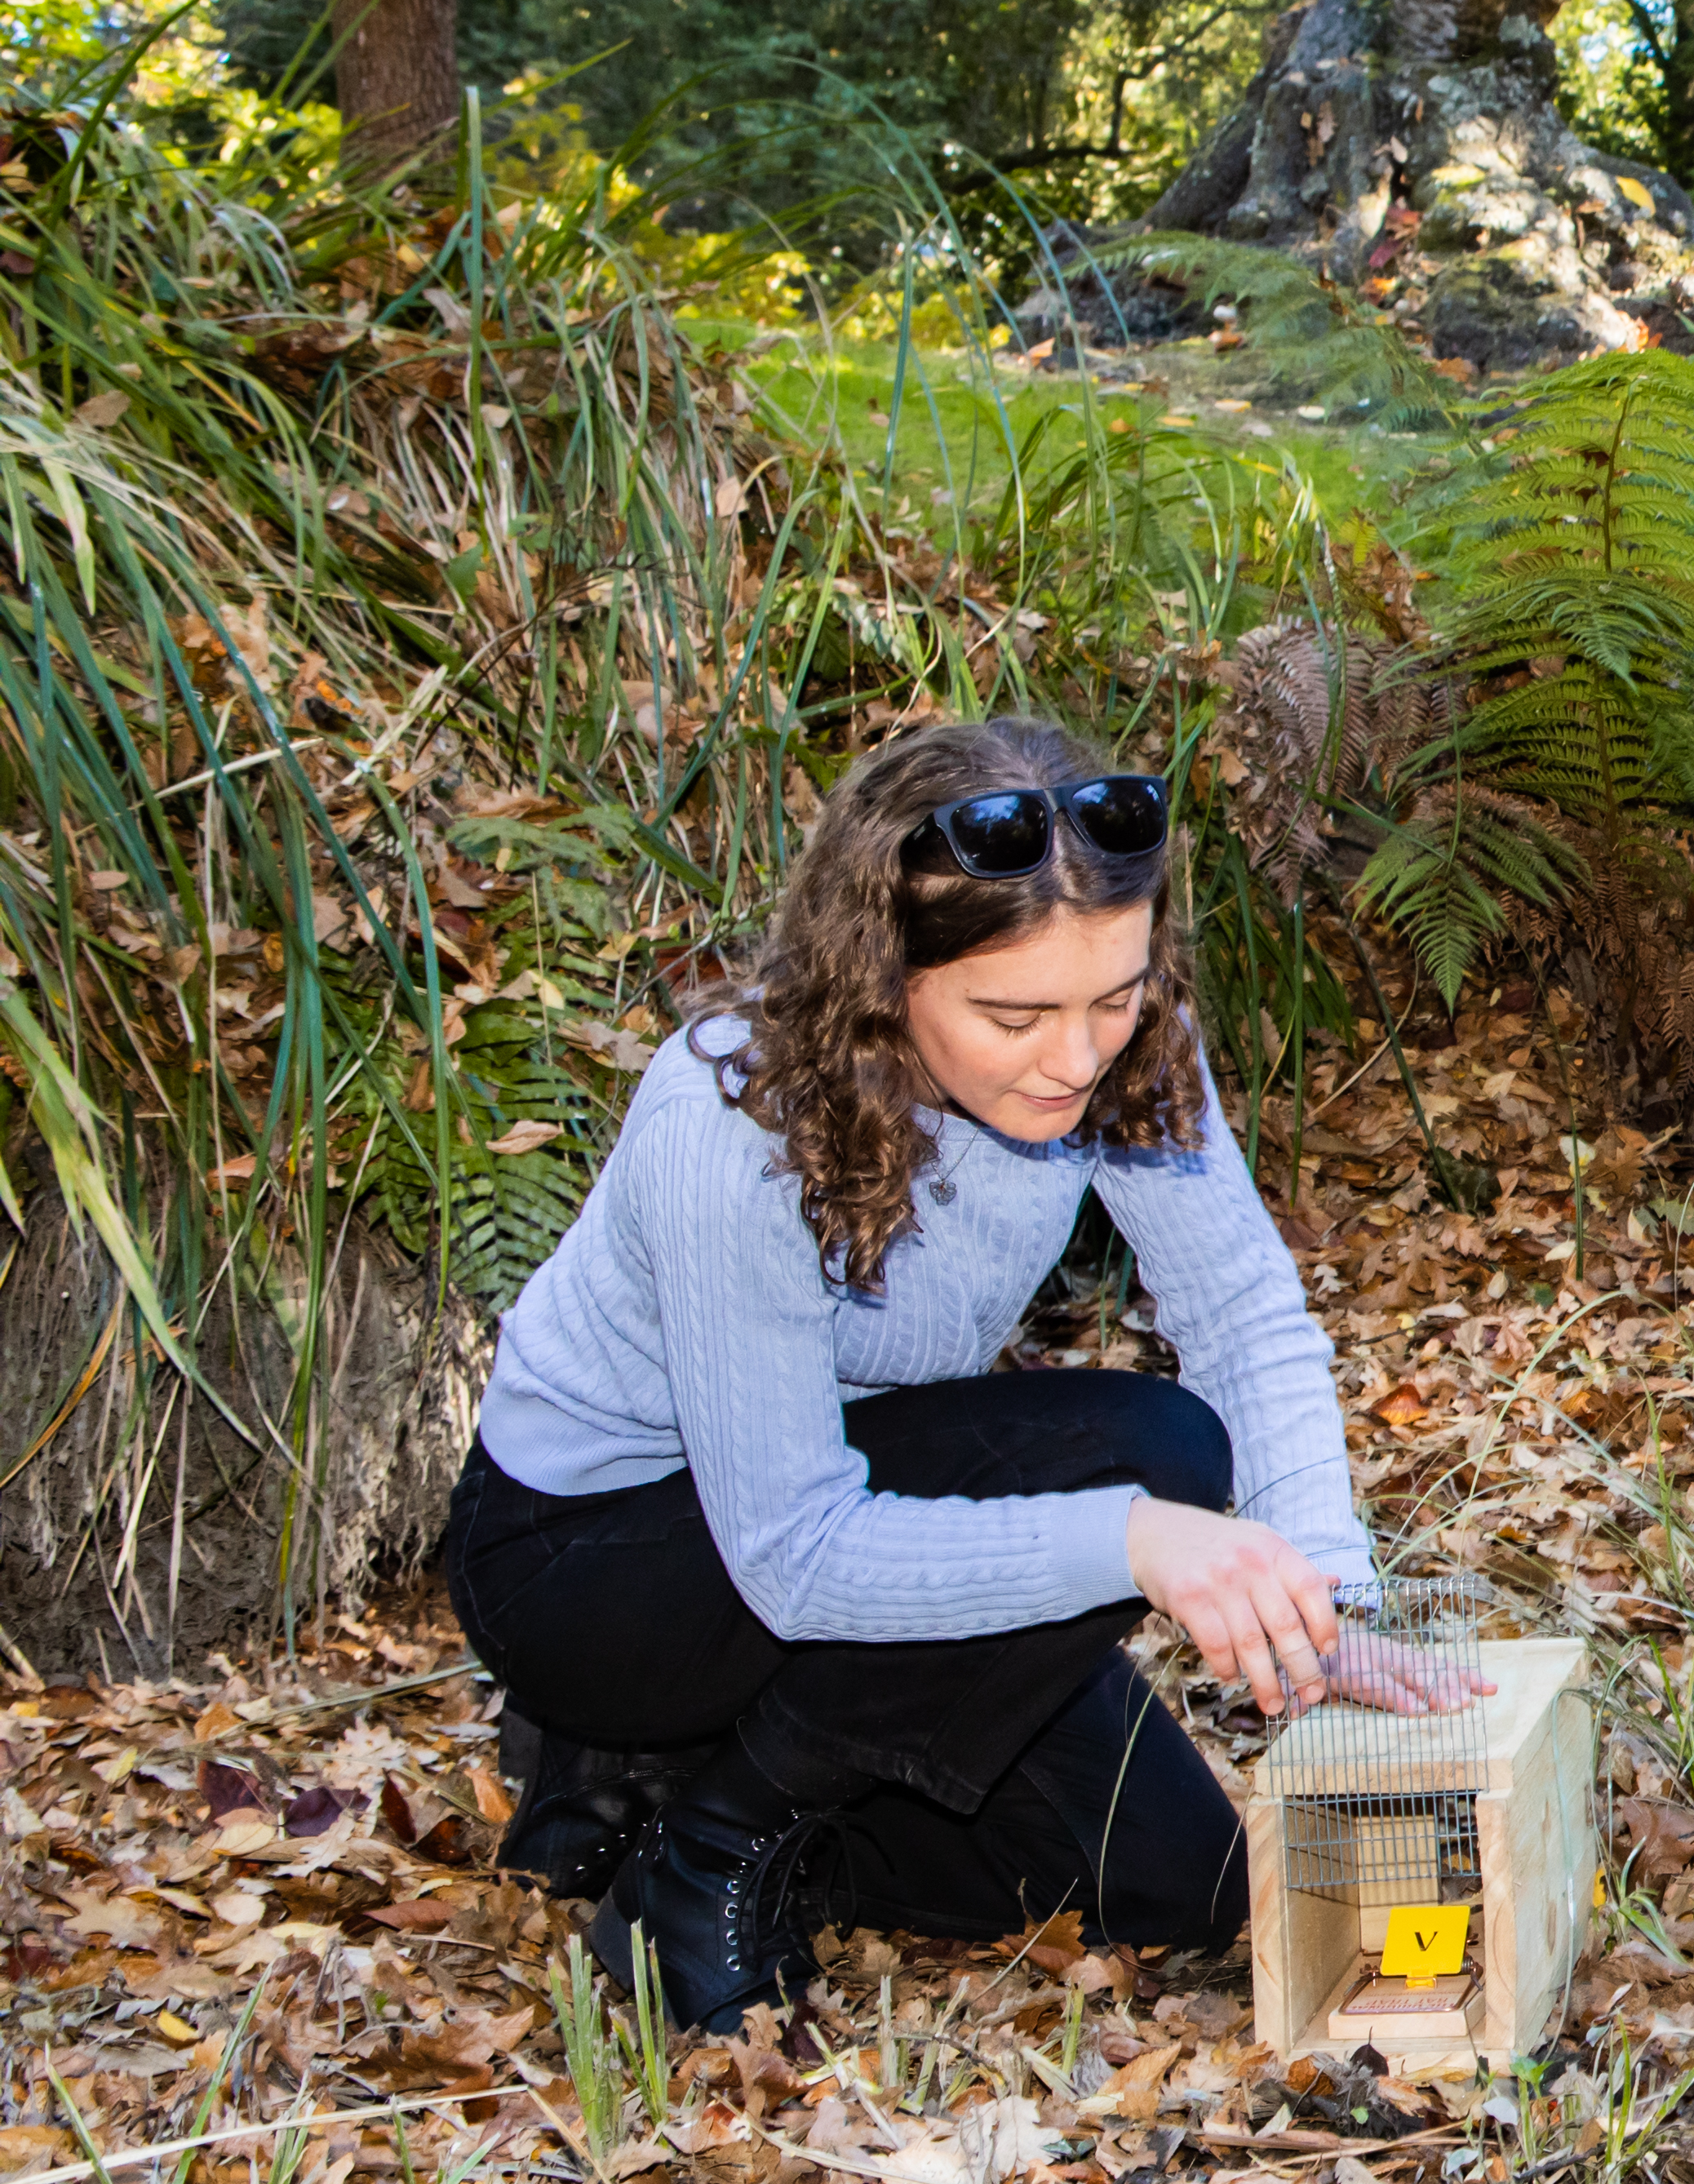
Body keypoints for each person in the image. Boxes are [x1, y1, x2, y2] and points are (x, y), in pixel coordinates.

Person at [446, 712, 1485, 2030]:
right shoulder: (731, 1119)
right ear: (884, 976)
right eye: (1014, 1014)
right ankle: (708, 1849)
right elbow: (796, 1552)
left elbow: (1239, 1313)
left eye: (1114, 996)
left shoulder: (1118, 1046)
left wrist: (1326, 1599)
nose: (1076, 1057)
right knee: (1150, 1457)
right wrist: (1133, 1543)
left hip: (845, 1495)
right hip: (596, 1568)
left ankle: (671, 1777)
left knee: (1181, 1887)